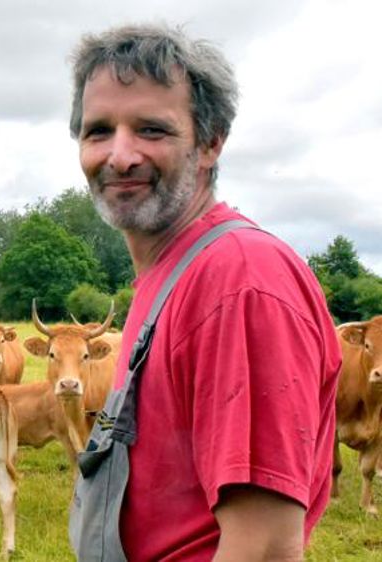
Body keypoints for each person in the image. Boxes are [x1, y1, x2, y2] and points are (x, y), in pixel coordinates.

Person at [68, 24, 341, 560]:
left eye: (151, 130)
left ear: (210, 142)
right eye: (98, 131)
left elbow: (262, 548)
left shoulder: (238, 280)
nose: (120, 156)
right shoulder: (170, 275)